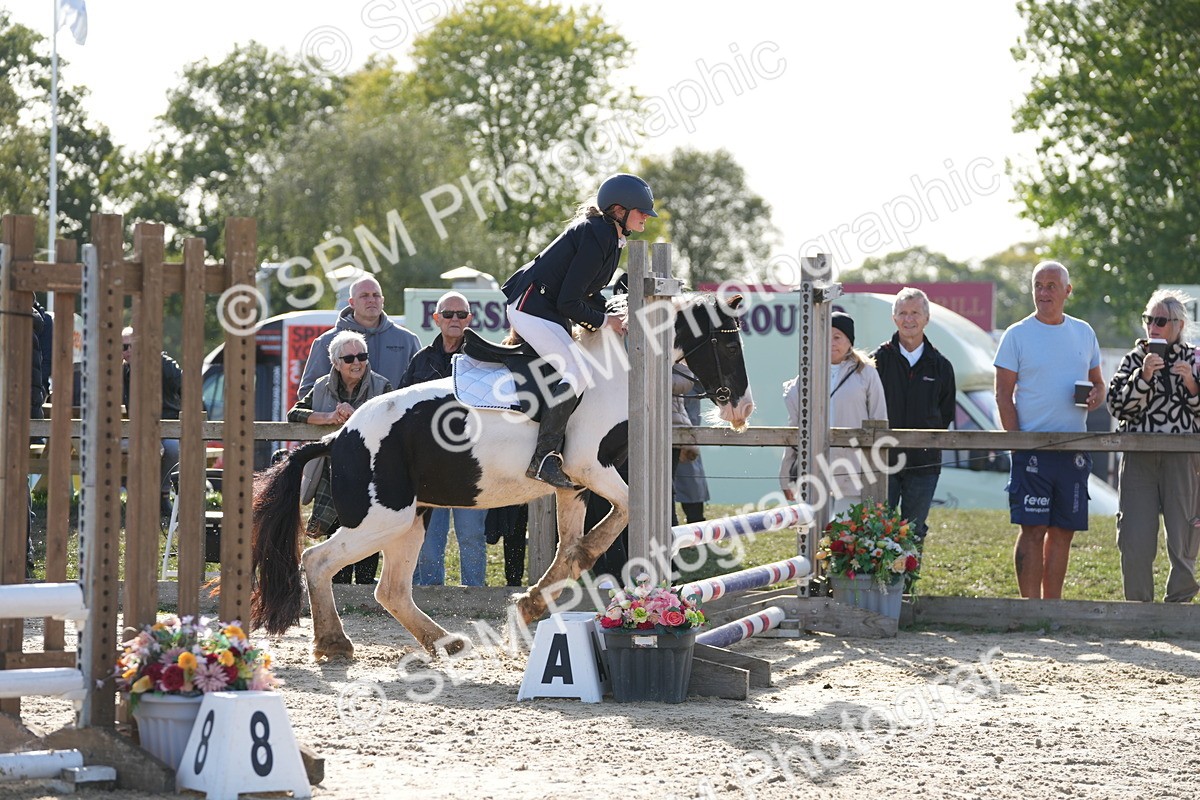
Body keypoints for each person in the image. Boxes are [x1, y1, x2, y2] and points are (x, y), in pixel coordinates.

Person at [500, 173, 656, 488]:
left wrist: (612, 313)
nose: (646, 217)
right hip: (529, 309)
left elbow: (587, 293)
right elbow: (570, 301)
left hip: (545, 309)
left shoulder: (610, 235)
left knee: (580, 367)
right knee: (579, 369)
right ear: (619, 210)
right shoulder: (598, 234)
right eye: (641, 211)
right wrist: (605, 321)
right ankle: (543, 457)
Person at [994, 260, 1103, 600]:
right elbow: (1002, 395)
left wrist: (1097, 396)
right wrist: (1018, 444)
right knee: (1032, 529)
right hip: (1032, 450)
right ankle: (1030, 610)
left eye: (1051, 286)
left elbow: (1099, 385)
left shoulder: (1084, 332)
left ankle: (1052, 609)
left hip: (1073, 450)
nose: (1043, 292)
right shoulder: (1016, 334)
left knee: (1063, 532)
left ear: (1067, 291)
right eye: (1038, 286)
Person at [1106, 289, 1200, 602]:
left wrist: (1192, 385)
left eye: (1161, 321)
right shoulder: (1134, 358)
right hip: (1139, 457)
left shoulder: (1195, 358)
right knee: (1134, 535)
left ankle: (1179, 606)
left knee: (1185, 534)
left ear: (1179, 325)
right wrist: (1143, 376)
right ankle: (1138, 608)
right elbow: (1117, 407)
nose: (1153, 326)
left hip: (1183, 458)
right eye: (1149, 319)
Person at [399, 291, 488, 587]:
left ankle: (476, 600)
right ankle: (429, 599)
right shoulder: (421, 360)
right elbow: (402, 408)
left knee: (472, 536)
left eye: (461, 314)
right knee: (427, 539)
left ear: (470, 319)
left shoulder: (483, 358)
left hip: (472, 465)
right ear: (436, 319)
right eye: (448, 314)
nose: (455, 319)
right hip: (428, 467)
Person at [288, 331, 391, 584]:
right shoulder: (321, 386)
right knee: (336, 533)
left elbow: (392, 425)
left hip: (370, 472)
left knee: (367, 534)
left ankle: (364, 592)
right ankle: (339, 591)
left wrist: (356, 417)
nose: (357, 362)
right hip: (331, 472)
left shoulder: (382, 386)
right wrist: (329, 417)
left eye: (362, 356)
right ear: (336, 362)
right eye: (349, 358)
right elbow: (295, 413)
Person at [870, 288, 956, 547]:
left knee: (913, 531)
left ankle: (908, 575)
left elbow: (945, 414)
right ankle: (879, 576)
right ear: (894, 318)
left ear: (927, 318)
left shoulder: (941, 366)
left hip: (924, 464)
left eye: (915, 313)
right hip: (883, 461)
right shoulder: (876, 362)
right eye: (903, 313)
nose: (909, 319)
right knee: (877, 529)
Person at [780, 311, 886, 517]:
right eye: (826, 336)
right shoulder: (806, 375)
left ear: (849, 341)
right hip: (814, 468)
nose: (831, 342)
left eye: (837, 337)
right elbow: (794, 427)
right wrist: (786, 473)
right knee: (813, 529)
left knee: (846, 529)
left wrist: (875, 470)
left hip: (854, 470)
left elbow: (879, 421)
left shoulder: (866, 374)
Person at [297, 276, 420, 399]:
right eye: (364, 295)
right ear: (352, 302)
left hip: (395, 411)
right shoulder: (326, 342)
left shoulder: (407, 340)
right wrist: (339, 408)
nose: (371, 300)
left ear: (382, 300)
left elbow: (422, 388)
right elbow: (307, 392)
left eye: (376, 295)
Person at [121, 326, 183, 516]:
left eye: (130, 346)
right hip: (138, 430)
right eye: (122, 347)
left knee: (171, 448)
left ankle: (162, 496)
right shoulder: (123, 371)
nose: (126, 351)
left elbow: (189, 390)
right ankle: (140, 497)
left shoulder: (165, 365)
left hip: (167, 426)